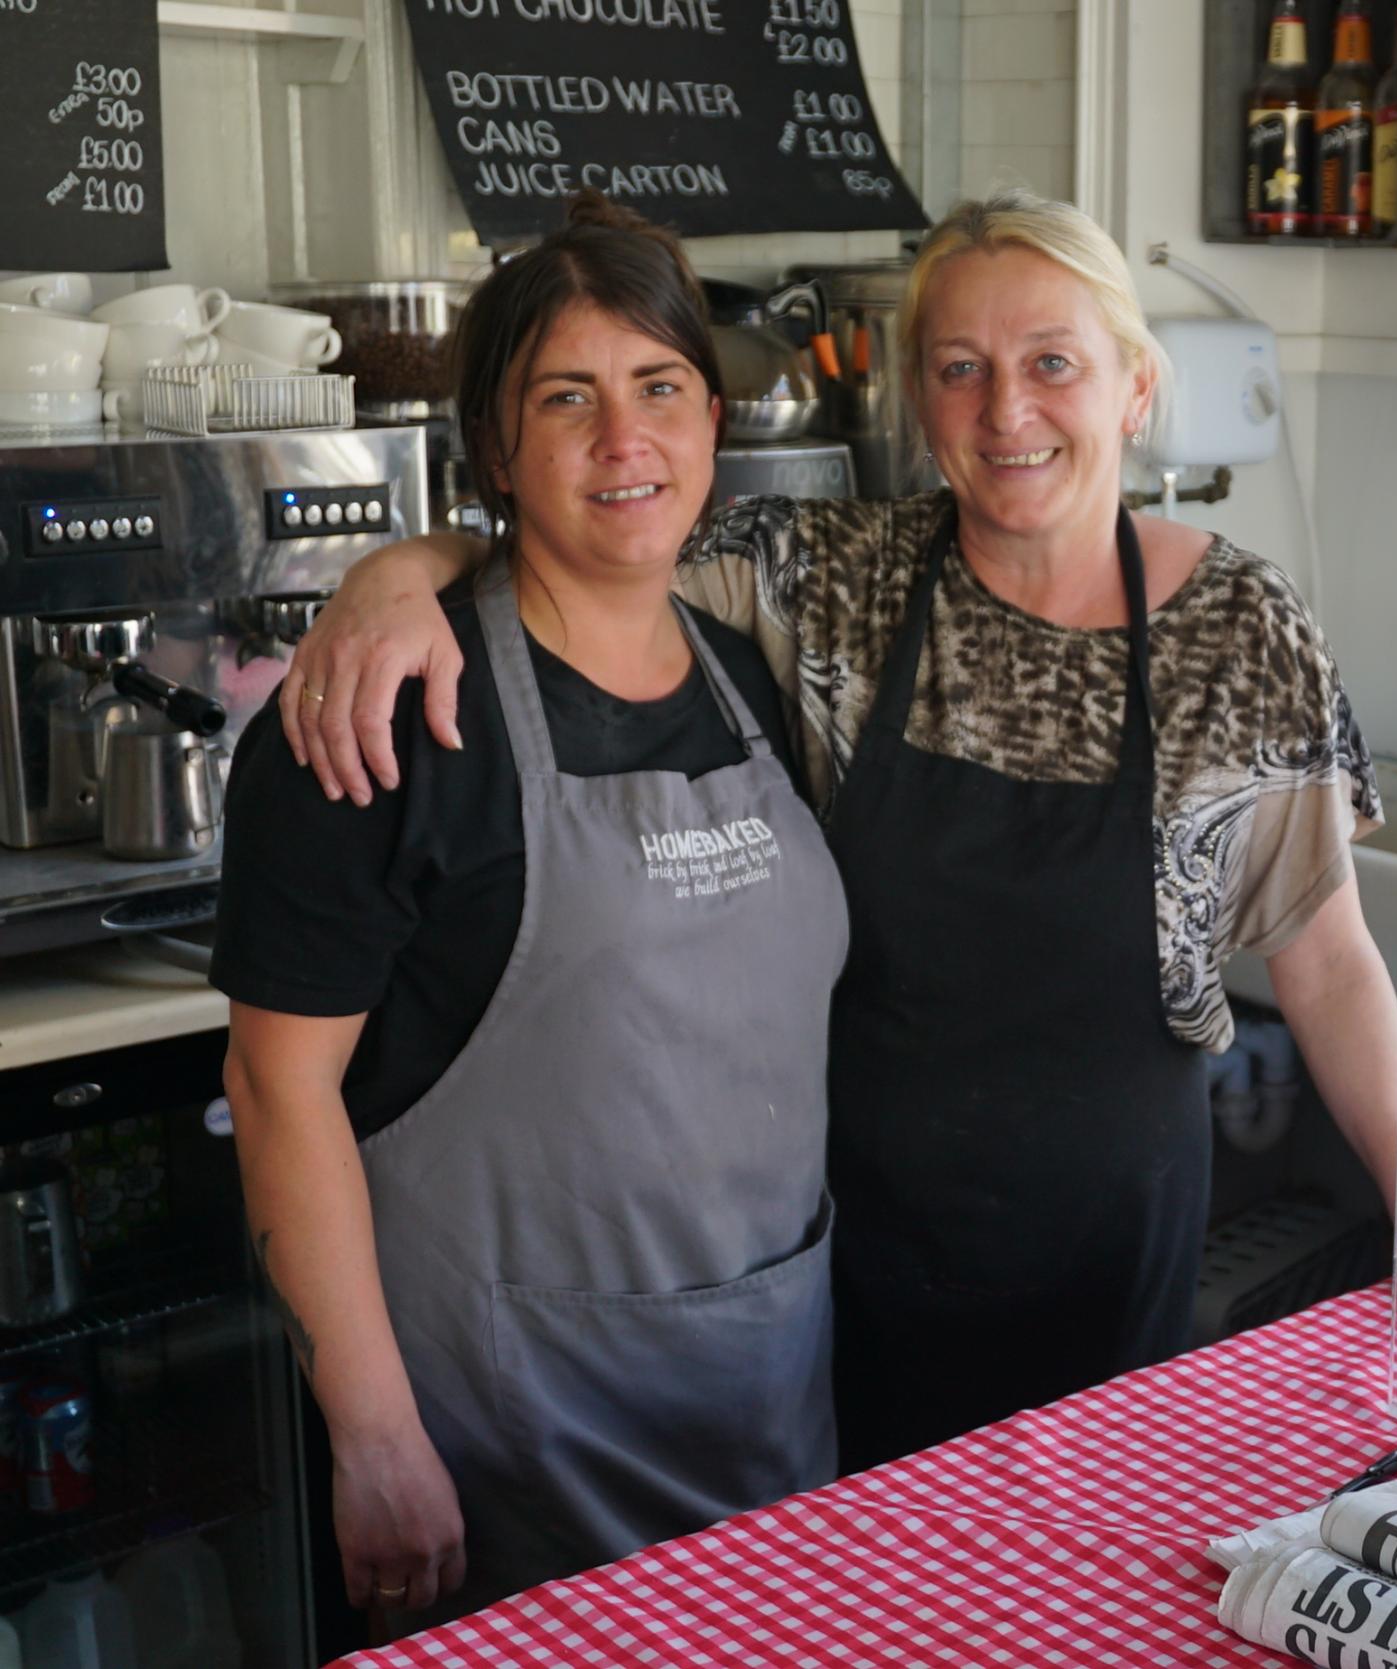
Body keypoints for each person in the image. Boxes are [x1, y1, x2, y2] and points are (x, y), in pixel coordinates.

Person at [281, 188, 1397, 1473]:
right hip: (853, 1287)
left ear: (1133, 388)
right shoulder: (829, 579)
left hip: (1119, 1273)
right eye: (961, 370)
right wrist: (396, 572)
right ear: (915, 397)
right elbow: (599, 522)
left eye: (1052, 363)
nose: (1007, 412)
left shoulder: (1241, 630)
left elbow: (1324, 953)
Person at [214, 196, 845, 1624]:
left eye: (660, 389)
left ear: (711, 423)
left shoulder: (755, 679)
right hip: (503, 1446)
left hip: (767, 1418)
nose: (626, 444)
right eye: (568, 399)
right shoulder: (376, 724)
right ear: (493, 449)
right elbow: (273, 1086)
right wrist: (374, 1436)